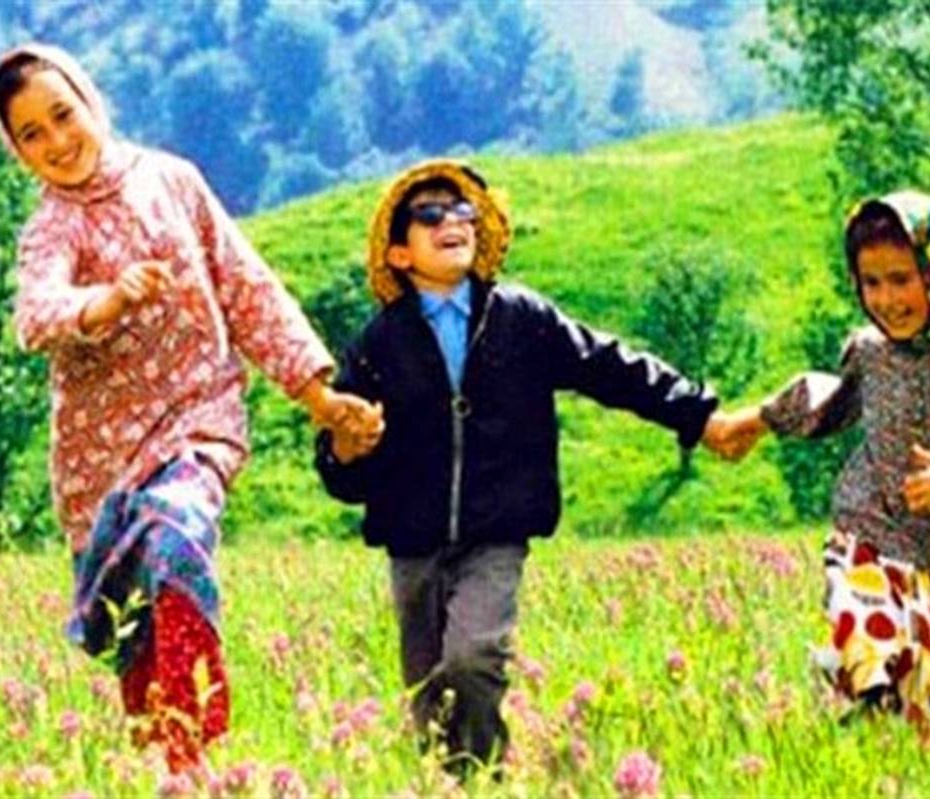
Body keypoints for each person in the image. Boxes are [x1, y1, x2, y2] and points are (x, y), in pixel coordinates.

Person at [0, 43, 379, 773]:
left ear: (91, 102)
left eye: (64, 115)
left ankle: (199, 731)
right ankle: (171, 776)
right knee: (134, 641)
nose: (57, 142)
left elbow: (247, 290)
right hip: (100, 464)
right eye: (32, 134)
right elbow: (36, 315)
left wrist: (319, 396)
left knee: (176, 538)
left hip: (198, 421)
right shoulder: (52, 226)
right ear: (18, 150)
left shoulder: (173, 180)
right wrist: (105, 300)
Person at [315, 159, 738, 773]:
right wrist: (346, 450)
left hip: (496, 535)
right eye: (429, 215)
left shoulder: (522, 319)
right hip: (412, 545)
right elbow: (341, 464)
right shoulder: (377, 344)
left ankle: (486, 771)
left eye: (462, 211)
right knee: (429, 693)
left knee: (474, 658)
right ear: (400, 254)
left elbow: (610, 367)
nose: (450, 221)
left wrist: (699, 416)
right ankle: (457, 782)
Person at [715, 190, 930, 731]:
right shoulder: (870, 350)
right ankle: (871, 694)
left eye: (902, 279)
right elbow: (829, 401)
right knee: (861, 615)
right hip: (873, 529)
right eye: (871, 282)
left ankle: (898, 722)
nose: (886, 299)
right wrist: (756, 420)